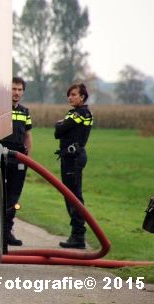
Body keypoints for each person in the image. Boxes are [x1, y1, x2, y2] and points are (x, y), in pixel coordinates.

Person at [55, 83, 93, 249]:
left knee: (74, 197)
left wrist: (60, 124)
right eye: (69, 95)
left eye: (74, 94)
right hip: (71, 157)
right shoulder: (77, 113)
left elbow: (59, 130)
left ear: (82, 97)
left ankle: (78, 236)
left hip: (73, 158)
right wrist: (61, 124)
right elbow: (61, 128)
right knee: (71, 195)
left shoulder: (80, 113)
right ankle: (77, 235)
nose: (70, 97)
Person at [0, 77, 33, 247]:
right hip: (2, 158)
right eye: (14, 89)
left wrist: (28, 159)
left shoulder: (25, 112)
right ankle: (0, 234)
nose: (17, 93)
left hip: (19, 159)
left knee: (14, 198)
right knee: (1, 196)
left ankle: (7, 232)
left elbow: (28, 136)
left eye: (20, 90)